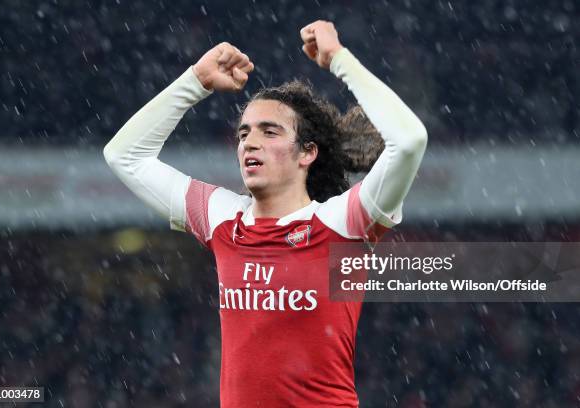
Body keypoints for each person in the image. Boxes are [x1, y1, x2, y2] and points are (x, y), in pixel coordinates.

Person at [104, 20, 427, 407]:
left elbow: (409, 141)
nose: (250, 142)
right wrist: (195, 82)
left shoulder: (343, 223)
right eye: (244, 134)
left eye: (269, 132)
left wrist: (339, 60)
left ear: (307, 152)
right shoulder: (223, 219)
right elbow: (124, 156)